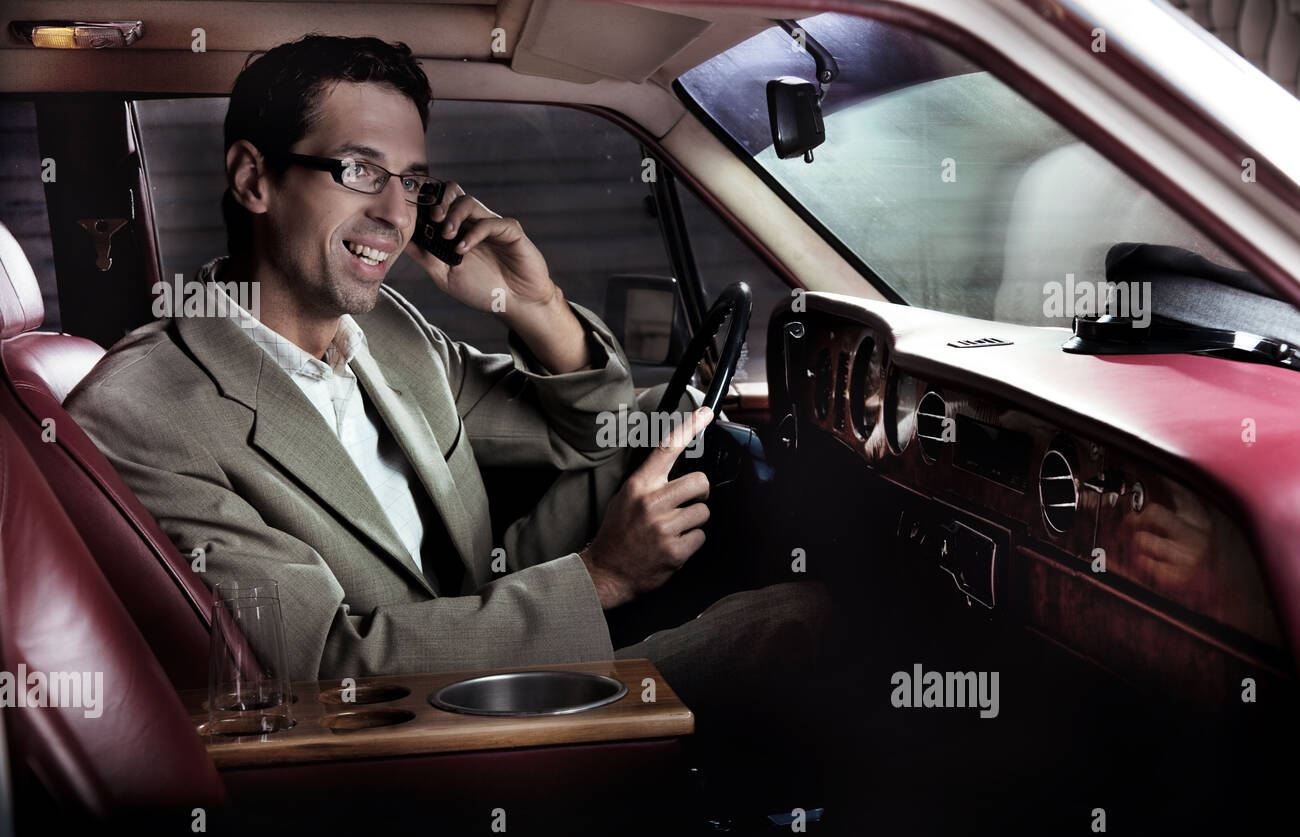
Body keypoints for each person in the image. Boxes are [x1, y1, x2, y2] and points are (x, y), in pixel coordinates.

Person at [65, 35, 830, 736]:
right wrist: (601, 581)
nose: (396, 215)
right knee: (799, 622)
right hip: (406, 740)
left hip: (487, 657)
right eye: (361, 170)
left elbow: (586, 432)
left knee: (654, 452)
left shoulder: (386, 332)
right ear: (254, 179)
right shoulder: (144, 412)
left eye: (412, 181)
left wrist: (534, 306)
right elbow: (320, 671)